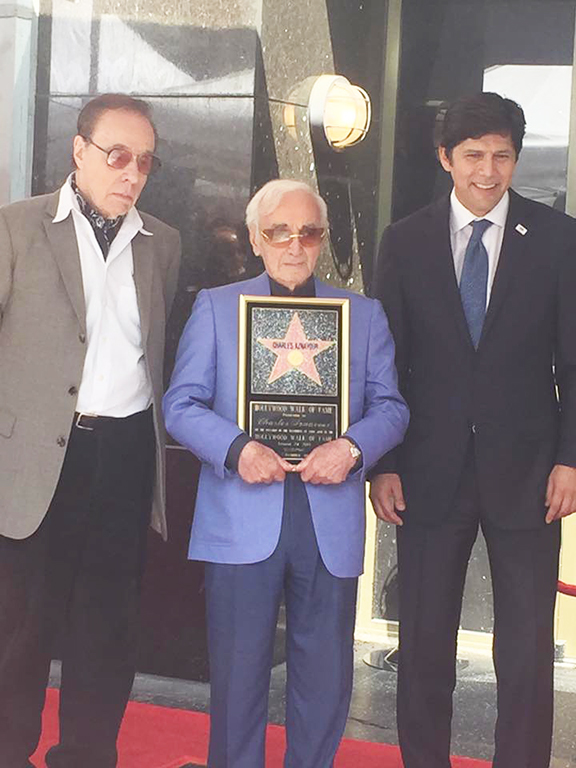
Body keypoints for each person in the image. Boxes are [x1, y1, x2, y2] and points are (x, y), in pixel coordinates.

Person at [163, 179, 409, 768]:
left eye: (309, 232)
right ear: (255, 237)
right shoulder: (217, 308)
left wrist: (351, 449)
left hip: (329, 519)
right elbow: (180, 405)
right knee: (237, 674)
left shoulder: (362, 314)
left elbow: (392, 407)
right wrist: (236, 448)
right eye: (278, 231)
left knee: (325, 682)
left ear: (322, 240)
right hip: (239, 513)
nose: (294, 244)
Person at [369, 91, 576, 767]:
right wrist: (385, 462)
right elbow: (385, 363)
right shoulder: (404, 241)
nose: (488, 170)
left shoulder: (557, 239)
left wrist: (571, 459)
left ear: (517, 158)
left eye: (503, 155)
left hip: (531, 472)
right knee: (424, 645)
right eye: (473, 155)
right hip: (427, 471)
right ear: (444, 158)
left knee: (524, 651)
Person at [0, 93, 181, 768]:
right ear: (79, 153)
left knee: (106, 629)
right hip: (36, 461)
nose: (131, 173)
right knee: (18, 631)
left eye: (144, 162)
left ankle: (85, 756)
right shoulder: (16, 229)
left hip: (125, 456)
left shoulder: (164, 243)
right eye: (117, 156)